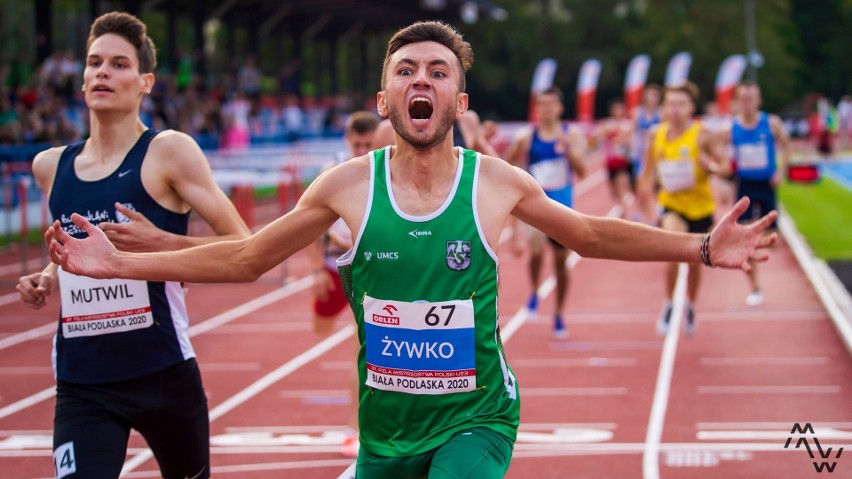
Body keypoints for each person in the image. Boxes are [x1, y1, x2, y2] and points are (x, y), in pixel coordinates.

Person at [48, 21, 777, 479]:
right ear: (385, 97)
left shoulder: (494, 182)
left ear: (459, 103)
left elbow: (588, 233)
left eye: (437, 72)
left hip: (477, 418)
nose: (420, 80)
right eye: (405, 71)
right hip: (386, 434)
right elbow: (246, 258)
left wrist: (702, 248)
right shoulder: (346, 187)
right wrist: (126, 262)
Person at [16, 12, 250, 479]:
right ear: (82, 78)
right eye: (94, 62)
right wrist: (46, 276)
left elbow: (242, 244)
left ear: (145, 82)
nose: (102, 72)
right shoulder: (50, 166)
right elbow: (76, 247)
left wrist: (161, 242)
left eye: (118, 64)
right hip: (82, 383)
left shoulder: (169, 151)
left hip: (162, 372)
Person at [307, 110, 379, 458]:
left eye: (369, 143)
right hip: (335, 266)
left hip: (369, 272)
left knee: (362, 352)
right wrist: (314, 272)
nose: (362, 149)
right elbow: (305, 225)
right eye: (357, 144)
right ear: (347, 141)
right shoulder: (332, 174)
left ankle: (356, 428)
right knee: (320, 330)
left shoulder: (384, 169)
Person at [638, 82, 730, 337]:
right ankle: (668, 304)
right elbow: (645, 174)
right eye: (670, 104)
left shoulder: (703, 134)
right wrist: (646, 201)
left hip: (701, 208)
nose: (675, 109)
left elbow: (725, 166)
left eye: (681, 104)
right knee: (672, 251)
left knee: (695, 263)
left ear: (691, 107)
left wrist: (710, 165)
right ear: (664, 108)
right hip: (671, 205)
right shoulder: (655, 134)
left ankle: (690, 303)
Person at [504, 86, 586, 338]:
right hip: (537, 205)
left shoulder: (570, 134)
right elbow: (504, 165)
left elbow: (582, 171)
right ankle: (535, 289)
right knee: (536, 248)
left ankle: (559, 312)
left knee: (561, 263)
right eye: (542, 105)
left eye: (551, 104)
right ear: (537, 108)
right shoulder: (527, 137)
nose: (547, 109)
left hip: (562, 206)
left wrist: (568, 150)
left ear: (560, 108)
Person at [725, 81, 790, 306]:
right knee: (744, 239)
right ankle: (754, 287)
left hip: (767, 185)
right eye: (744, 98)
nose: (748, 103)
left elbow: (787, 145)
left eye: (752, 98)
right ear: (738, 101)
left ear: (758, 100)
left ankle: (757, 251)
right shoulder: (731, 127)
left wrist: (781, 171)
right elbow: (720, 153)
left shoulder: (771, 123)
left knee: (774, 241)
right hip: (745, 186)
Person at [630, 84, 662, 223]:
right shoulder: (637, 113)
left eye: (654, 95)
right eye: (649, 95)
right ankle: (642, 213)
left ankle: (656, 213)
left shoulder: (661, 113)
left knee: (656, 186)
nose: (651, 98)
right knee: (641, 188)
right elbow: (633, 132)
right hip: (640, 155)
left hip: (656, 155)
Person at [598, 98, 633, 218]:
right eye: (616, 109)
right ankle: (622, 210)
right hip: (610, 163)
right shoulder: (607, 124)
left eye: (620, 109)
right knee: (614, 192)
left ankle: (624, 215)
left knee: (622, 188)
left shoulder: (627, 125)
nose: (618, 112)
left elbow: (630, 142)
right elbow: (597, 137)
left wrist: (624, 140)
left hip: (622, 162)